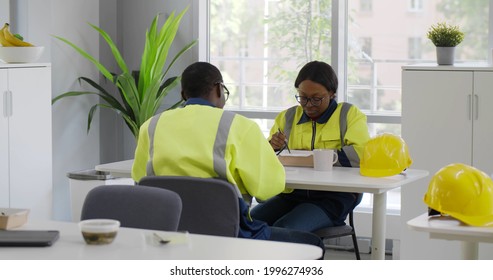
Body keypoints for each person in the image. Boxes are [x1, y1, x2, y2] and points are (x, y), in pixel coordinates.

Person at [131, 61, 324, 253]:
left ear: (183, 95)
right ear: (219, 89)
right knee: (313, 245)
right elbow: (268, 189)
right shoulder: (240, 126)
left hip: (169, 233)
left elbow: (141, 181)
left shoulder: (151, 126)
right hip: (228, 235)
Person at [251, 60, 370, 232]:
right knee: (247, 222)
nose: (308, 105)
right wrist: (272, 147)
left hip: (334, 197)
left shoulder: (348, 114)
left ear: (332, 94)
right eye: (303, 97)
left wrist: (307, 159)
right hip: (292, 194)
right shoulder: (288, 117)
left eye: (316, 99)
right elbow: (267, 157)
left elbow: (360, 155)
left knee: (285, 228)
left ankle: (312, 253)